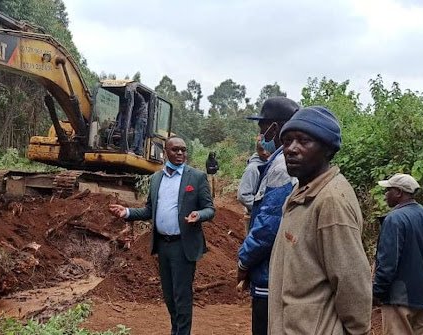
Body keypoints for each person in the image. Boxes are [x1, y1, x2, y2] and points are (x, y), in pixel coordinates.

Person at [269, 106, 372, 334]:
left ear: (327, 149)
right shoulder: (301, 193)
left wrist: (357, 330)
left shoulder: (331, 201)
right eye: (286, 141)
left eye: (303, 141)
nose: (291, 149)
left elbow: (352, 283)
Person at [108, 136, 215, 335]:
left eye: (183, 150)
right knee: (168, 295)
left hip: (183, 246)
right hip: (163, 245)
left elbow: (210, 209)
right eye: (175, 150)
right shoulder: (157, 178)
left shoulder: (196, 177)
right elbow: (150, 210)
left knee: (181, 295)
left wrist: (198, 215)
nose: (181, 153)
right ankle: (176, 330)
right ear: (166, 151)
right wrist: (128, 213)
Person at [237, 97, 299, 335]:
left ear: (275, 127)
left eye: (262, 127)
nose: (260, 134)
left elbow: (267, 227)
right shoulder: (286, 163)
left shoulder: (282, 167)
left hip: (270, 275)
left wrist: (244, 260)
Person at [374, 174, 423, 335]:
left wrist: (377, 292)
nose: (385, 194)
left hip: (399, 299)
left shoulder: (394, 219)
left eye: (388, 190)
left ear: (398, 192)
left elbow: (388, 263)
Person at [237, 138, 271, 233]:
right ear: (256, 149)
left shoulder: (270, 164)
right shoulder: (253, 169)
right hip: (255, 216)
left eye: (267, 149)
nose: (264, 152)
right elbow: (243, 195)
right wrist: (262, 208)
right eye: (261, 149)